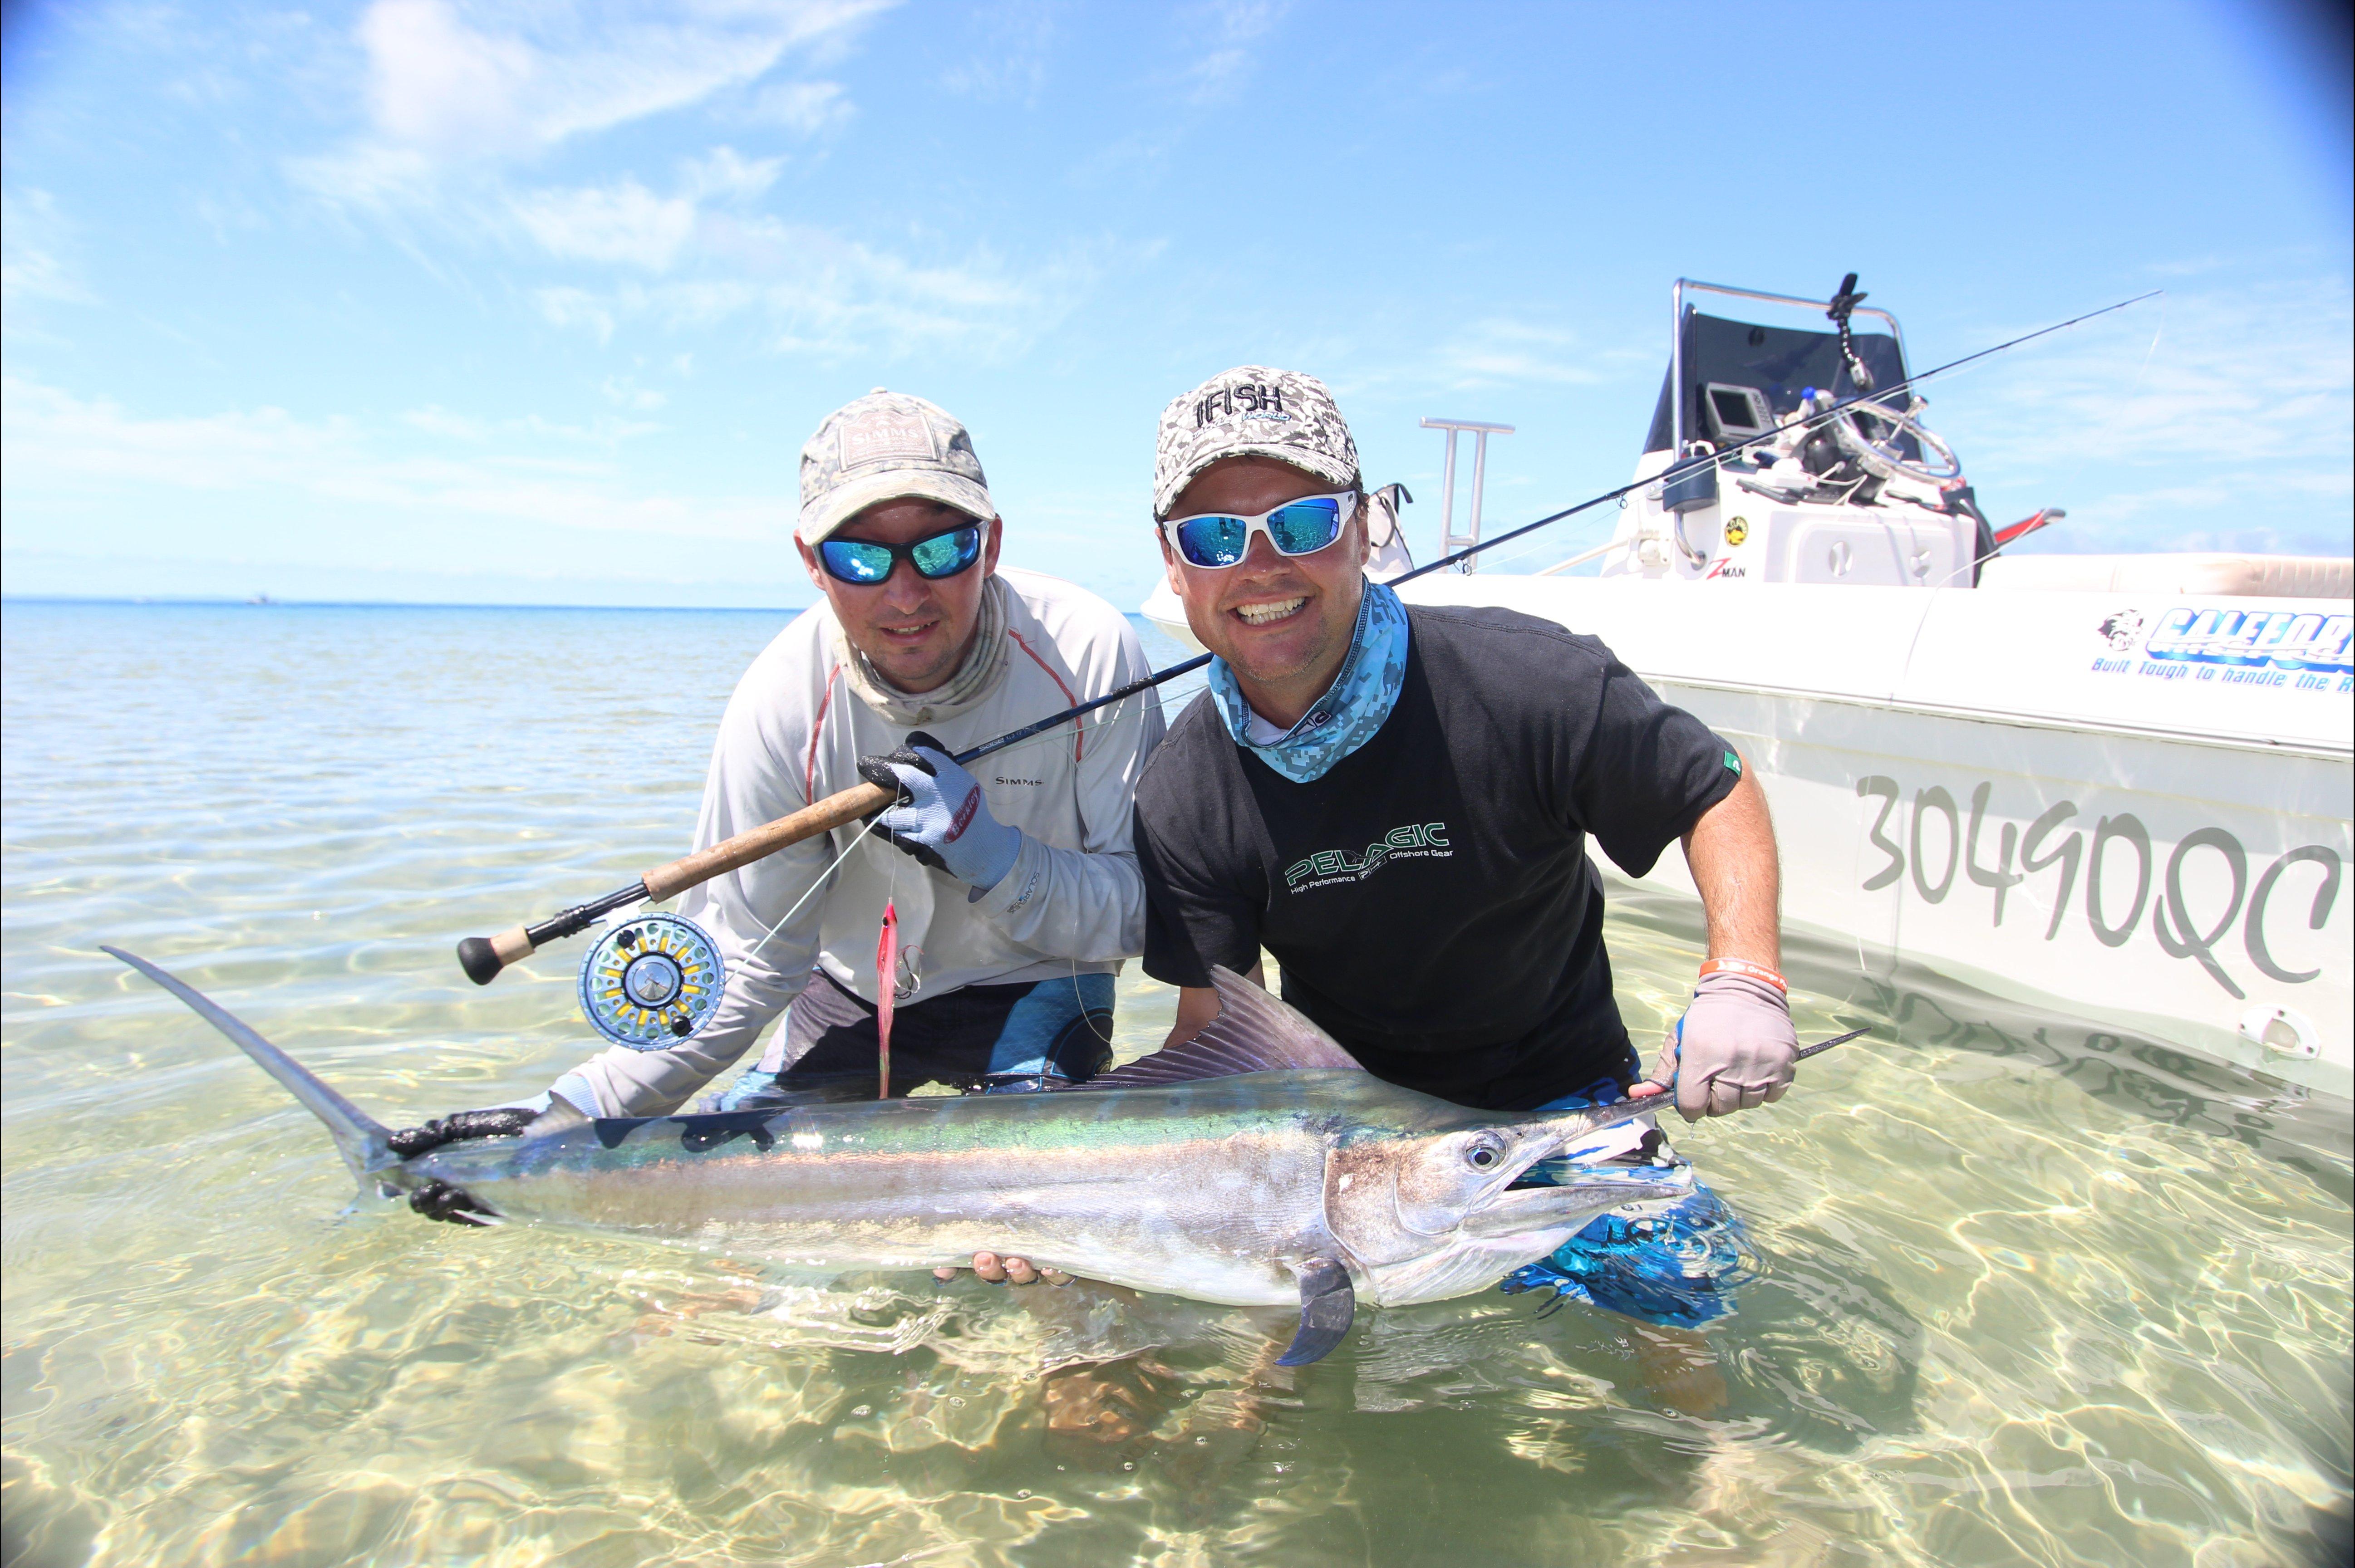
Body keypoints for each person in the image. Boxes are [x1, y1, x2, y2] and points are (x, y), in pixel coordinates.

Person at [394, 392, 1165, 1261]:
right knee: (728, 1238)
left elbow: (1139, 914)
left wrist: (993, 854)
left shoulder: (1091, 653)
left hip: (1038, 982)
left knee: (1040, 1251)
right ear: (811, 562)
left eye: (942, 547)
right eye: (860, 557)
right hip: (850, 989)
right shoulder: (780, 702)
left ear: (990, 544)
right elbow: (754, 952)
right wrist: (576, 1114)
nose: (906, 593)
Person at [1130, 365, 1795, 1335]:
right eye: (1216, 535)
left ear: (1362, 529)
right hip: (1346, 1141)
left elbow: (1716, 787)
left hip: (1562, 1107)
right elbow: (1213, 1034)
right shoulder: (1184, 790)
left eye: (1305, 523)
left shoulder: (1527, 681)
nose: (1261, 566)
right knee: (1265, 1393)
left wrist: (1746, 977)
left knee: (1683, 1330)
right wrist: (1050, 1188)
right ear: (1175, 563)